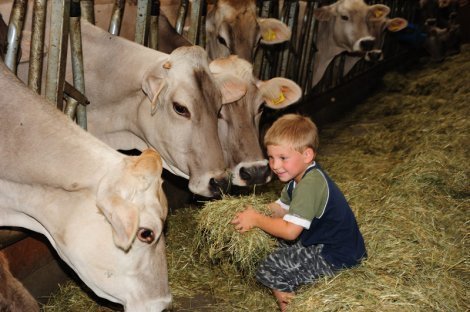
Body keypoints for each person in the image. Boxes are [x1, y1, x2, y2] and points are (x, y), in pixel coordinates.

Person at [231, 114, 367, 312]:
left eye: (283, 158)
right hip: (323, 243)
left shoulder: (310, 186)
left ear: (307, 155)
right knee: (270, 245)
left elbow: (290, 231)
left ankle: (291, 306)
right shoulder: (298, 179)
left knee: (269, 266)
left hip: (337, 257)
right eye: (271, 157)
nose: (275, 166)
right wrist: (252, 211)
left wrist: (257, 220)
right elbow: (281, 209)